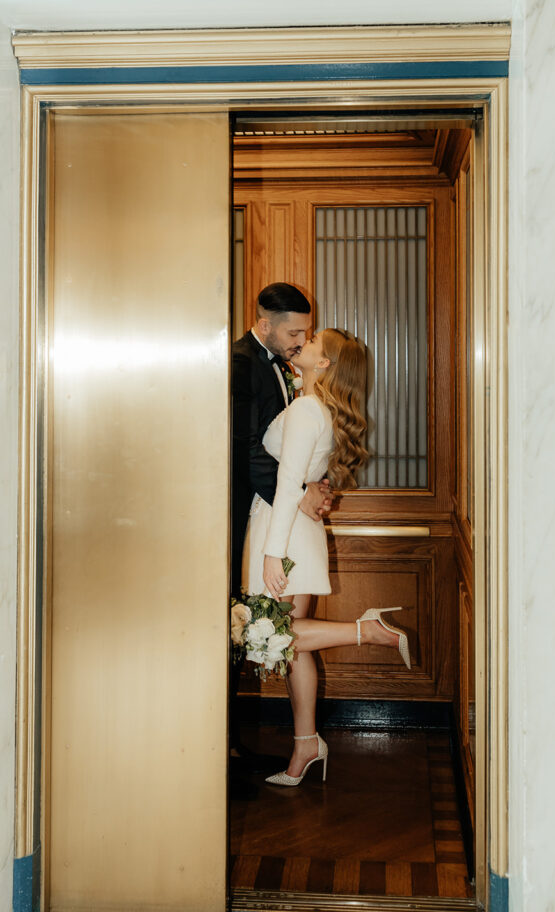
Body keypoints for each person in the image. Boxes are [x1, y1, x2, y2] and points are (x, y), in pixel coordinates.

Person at [242, 327, 411, 787]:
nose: (306, 342)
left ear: (325, 364)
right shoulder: (319, 408)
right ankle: (306, 745)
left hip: (283, 533)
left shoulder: (306, 410)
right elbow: (302, 479)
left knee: (271, 636)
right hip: (299, 529)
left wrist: (272, 555)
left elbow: (287, 481)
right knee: (293, 648)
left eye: (313, 340)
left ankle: (368, 631)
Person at [231, 283, 332, 766]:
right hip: (263, 512)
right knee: (281, 635)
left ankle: (301, 744)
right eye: (294, 332)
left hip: (281, 520)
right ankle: (295, 745)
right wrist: (302, 491)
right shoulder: (242, 364)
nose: (300, 340)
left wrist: (312, 486)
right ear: (265, 324)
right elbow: (247, 450)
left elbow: (297, 446)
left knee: (284, 634)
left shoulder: (294, 375)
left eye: (306, 334)